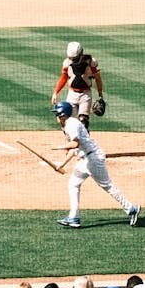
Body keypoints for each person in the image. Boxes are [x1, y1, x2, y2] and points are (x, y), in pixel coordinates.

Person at [51, 101, 139, 229]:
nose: (56, 117)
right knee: (73, 183)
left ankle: (131, 208)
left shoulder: (71, 124)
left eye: (57, 114)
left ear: (62, 114)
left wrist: (59, 147)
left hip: (93, 158)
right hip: (85, 159)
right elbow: (74, 150)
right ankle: (74, 217)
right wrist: (62, 164)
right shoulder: (68, 125)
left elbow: (75, 144)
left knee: (107, 185)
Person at [51, 42, 105, 128]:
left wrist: (100, 94)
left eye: (75, 59)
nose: (73, 61)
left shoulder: (91, 62)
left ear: (81, 54)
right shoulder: (67, 63)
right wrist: (55, 93)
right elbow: (64, 77)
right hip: (72, 94)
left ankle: (84, 140)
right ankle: (70, 139)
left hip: (85, 94)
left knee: (83, 121)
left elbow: (98, 78)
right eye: (72, 59)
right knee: (67, 121)